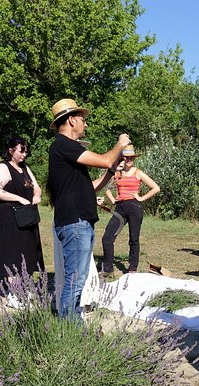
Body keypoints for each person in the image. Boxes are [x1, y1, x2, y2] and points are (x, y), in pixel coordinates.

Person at [47, 98, 130, 319]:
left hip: (79, 222)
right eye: (83, 120)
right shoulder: (63, 145)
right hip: (75, 223)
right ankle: (68, 330)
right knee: (75, 280)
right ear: (72, 120)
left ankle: (72, 326)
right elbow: (103, 160)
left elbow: (92, 186)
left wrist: (112, 171)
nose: (86, 124)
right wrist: (121, 143)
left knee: (78, 279)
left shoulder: (67, 150)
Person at [0, 137, 44, 308]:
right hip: (8, 216)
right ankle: (14, 293)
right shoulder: (3, 167)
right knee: (13, 252)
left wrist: (36, 195)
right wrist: (19, 199)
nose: (24, 154)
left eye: (26, 151)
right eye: (21, 150)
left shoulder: (25, 168)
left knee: (27, 251)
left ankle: (24, 287)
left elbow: (36, 186)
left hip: (26, 216)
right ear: (11, 151)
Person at [101, 145, 160, 275]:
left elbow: (156, 188)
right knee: (107, 238)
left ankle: (132, 268)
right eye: (127, 157)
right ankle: (108, 269)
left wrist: (141, 198)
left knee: (134, 239)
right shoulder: (117, 173)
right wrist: (113, 200)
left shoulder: (138, 172)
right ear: (122, 158)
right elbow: (106, 187)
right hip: (120, 208)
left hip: (134, 207)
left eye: (132, 157)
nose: (129, 159)